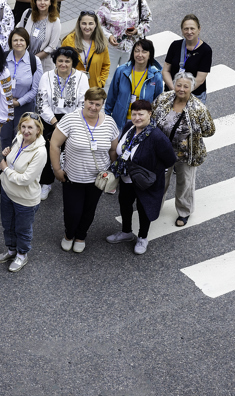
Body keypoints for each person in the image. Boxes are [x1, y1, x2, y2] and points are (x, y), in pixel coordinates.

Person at [49, 87, 120, 254]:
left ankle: (81, 236)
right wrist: (57, 169)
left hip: (97, 179)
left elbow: (113, 150)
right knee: (72, 211)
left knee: (89, 210)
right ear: (84, 101)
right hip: (73, 177)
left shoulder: (109, 122)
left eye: (98, 104)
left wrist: (111, 170)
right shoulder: (70, 119)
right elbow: (54, 144)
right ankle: (69, 234)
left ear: (103, 105)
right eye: (90, 103)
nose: (93, 107)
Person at [105, 100, 177, 254]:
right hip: (126, 179)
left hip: (145, 182)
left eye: (141, 114)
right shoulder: (128, 127)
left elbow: (170, 159)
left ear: (149, 114)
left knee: (144, 208)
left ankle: (143, 237)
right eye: (134, 114)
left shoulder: (157, 136)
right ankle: (126, 232)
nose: (137, 117)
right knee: (125, 204)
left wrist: (151, 171)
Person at [151, 71, 215, 227]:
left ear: (191, 88)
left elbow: (210, 130)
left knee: (185, 183)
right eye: (178, 85)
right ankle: (154, 207)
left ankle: (184, 212)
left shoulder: (198, 108)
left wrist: (191, 137)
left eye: (186, 86)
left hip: (187, 154)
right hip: (163, 151)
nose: (181, 89)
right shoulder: (164, 99)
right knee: (159, 181)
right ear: (174, 84)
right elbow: (152, 115)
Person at [0, 113, 46, 272]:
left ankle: (22, 255)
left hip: (25, 199)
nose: (26, 131)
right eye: (23, 126)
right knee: (8, 225)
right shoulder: (18, 138)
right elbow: (14, 159)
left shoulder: (40, 152)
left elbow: (25, 179)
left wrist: (5, 169)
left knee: (22, 229)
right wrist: (8, 154)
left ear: (38, 130)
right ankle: (11, 250)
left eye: (30, 127)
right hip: (7, 192)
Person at [36, 47, 89, 199]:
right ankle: (46, 183)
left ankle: (70, 179)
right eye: (60, 60)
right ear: (55, 61)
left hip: (73, 120)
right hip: (49, 120)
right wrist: (54, 122)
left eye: (67, 61)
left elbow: (83, 103)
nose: (63, 64)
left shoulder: (81, 77)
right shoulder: (46, 76)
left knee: (71, 152)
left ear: (73, 62)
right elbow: (41, 103)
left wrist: (67, 123)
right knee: (46, 151)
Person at [105, 38, 164, 130]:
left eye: (144, 52)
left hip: (142, 124)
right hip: (119, 122)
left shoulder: (156, 76)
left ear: (150, 55)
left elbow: (158, 104)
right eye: (137, 51)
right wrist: (107, 116)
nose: (140, 55)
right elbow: (112, 96)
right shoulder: (121, 71)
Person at [96, 0, 152, 69]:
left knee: (128, 76)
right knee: (108, 77)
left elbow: (147, 21)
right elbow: (98, 23)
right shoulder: (108, 3)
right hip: (112, 48)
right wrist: (109, 36)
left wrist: (137, 30)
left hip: (133, 47)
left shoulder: (139, 0)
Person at [1, 28, 42, 149]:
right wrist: (7, 99)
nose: (18, 43)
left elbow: (35, 89)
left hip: (24, 106)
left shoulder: (35, 61)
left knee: (22, 137)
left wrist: (18, 102)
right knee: (5, 137)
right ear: (10, 42)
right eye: (15, 40)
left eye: (22, 40)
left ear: (27, 42)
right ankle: (4, 165)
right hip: (5, 105)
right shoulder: (3, 58)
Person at [163, 14, 212, 103]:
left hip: (194, 95)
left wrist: (182, 92)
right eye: (186, 29)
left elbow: (200, 80)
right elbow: (166, 71)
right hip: (172, 93)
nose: (189, 32)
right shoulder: (175, 45)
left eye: (192, 28)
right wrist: (174, 90)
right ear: (182, 30)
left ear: (199, 29)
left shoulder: (206, 50)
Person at [60, 11, 111, 88]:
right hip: (72, 85)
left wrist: (101, 82)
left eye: (90, 23)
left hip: (93, 88)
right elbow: (60, 63)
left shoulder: (101, 42)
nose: (87, 27)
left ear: (95, 25)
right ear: (79, 24)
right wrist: (73, 73)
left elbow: (105, 65)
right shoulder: (68, 41)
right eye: (84, 23)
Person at [16, 0, 61, 72]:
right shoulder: (27, 14)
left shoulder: (55, 21)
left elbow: (52, 46)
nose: (42, 2)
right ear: (35, 1)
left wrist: (32, 59)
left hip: (42, 65)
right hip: (23, 62)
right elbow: (18, 33)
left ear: (50, 2)